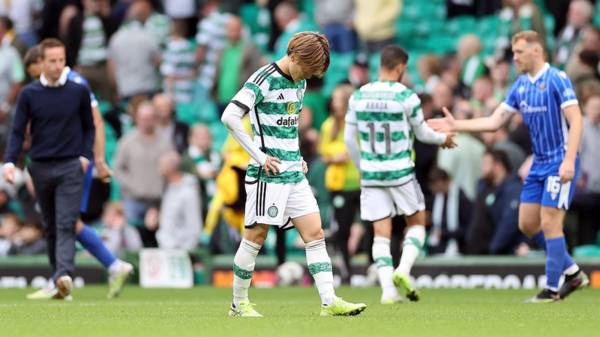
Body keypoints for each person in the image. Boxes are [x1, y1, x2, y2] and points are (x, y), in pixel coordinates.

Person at [428, 31, 588, 302]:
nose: (515, 58)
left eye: (519, 53)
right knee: (527, 224)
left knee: (550, 222)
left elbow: (577, 121)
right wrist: (458, 126)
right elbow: (494, 121)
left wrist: (570, 160)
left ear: (536, 51)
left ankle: (551, 289)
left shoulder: (557, 79)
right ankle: (572, 273)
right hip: (538, 164)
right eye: (513, 53)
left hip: (560, 161)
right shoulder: (520, 86)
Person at [221, 31, 366, 317]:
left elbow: (288, 128)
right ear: (293, 56)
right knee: (255, 237)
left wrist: (297, 157)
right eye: (307, 70)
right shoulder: (263, 78)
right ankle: (238, 304)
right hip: (268, 175)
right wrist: (260, 157)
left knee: (315, 233)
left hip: (292, 172)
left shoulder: (299, 83)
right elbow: (229, 116)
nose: (307, 78)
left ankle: (329, 301)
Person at [344, 45, 456, 304]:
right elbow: (422, 133)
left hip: (371, 174)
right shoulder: (406, 96)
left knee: (380, 233)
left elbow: (349, 140)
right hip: (400, 171)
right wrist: (444, 139)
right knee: (416, 224)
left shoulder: (358, 96)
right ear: (400, 67)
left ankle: (387, 291)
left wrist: (363, 167)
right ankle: (403, 271)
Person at [22, 44, 133, 300]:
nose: (35, 78)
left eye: (35, 71)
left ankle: (65, 277)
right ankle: (106, 268)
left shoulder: (73, 83)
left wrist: (97, 159)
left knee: (66, 220)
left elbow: (96, 120)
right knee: (68, 221)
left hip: (73, 161)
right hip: (66, 159)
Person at [3, 38, 95, 300]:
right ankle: (58, 280)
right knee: (51, 225)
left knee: (66, 222)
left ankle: (63, 274)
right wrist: (10, 162)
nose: (57, 66)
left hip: (70, 166)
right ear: (41, 62)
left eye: (61, 60)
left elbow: (89, 127)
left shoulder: (77, 92)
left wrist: (86, 156)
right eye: (52, 61)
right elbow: (18, 131)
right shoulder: (29, 94)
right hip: (40, 167)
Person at [318, 84, 360, 283]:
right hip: (339, 184)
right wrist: (335, 157)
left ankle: (374, 266)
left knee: (370, 225)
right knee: (342, 230)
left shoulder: (357, 124)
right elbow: (323, 153)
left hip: (360, 182)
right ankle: (346, 272)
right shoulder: (328, 126)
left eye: (337, 99)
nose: (334, 103)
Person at [466, 149, 524, 255]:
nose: (482, 168)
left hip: (499, 253)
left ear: (498, 165)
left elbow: (510, 222)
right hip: (477, 251)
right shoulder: (483, 186)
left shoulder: (513, 189)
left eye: (486, 163)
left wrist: (494, 248)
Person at [156, 150, 202, 250]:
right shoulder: (168, 188)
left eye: (161, 164)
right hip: (166, 251)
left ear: (171, 167)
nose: (158, 168)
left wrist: (186, 252)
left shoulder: (188, 192)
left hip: (180, 253)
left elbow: (194, 227)